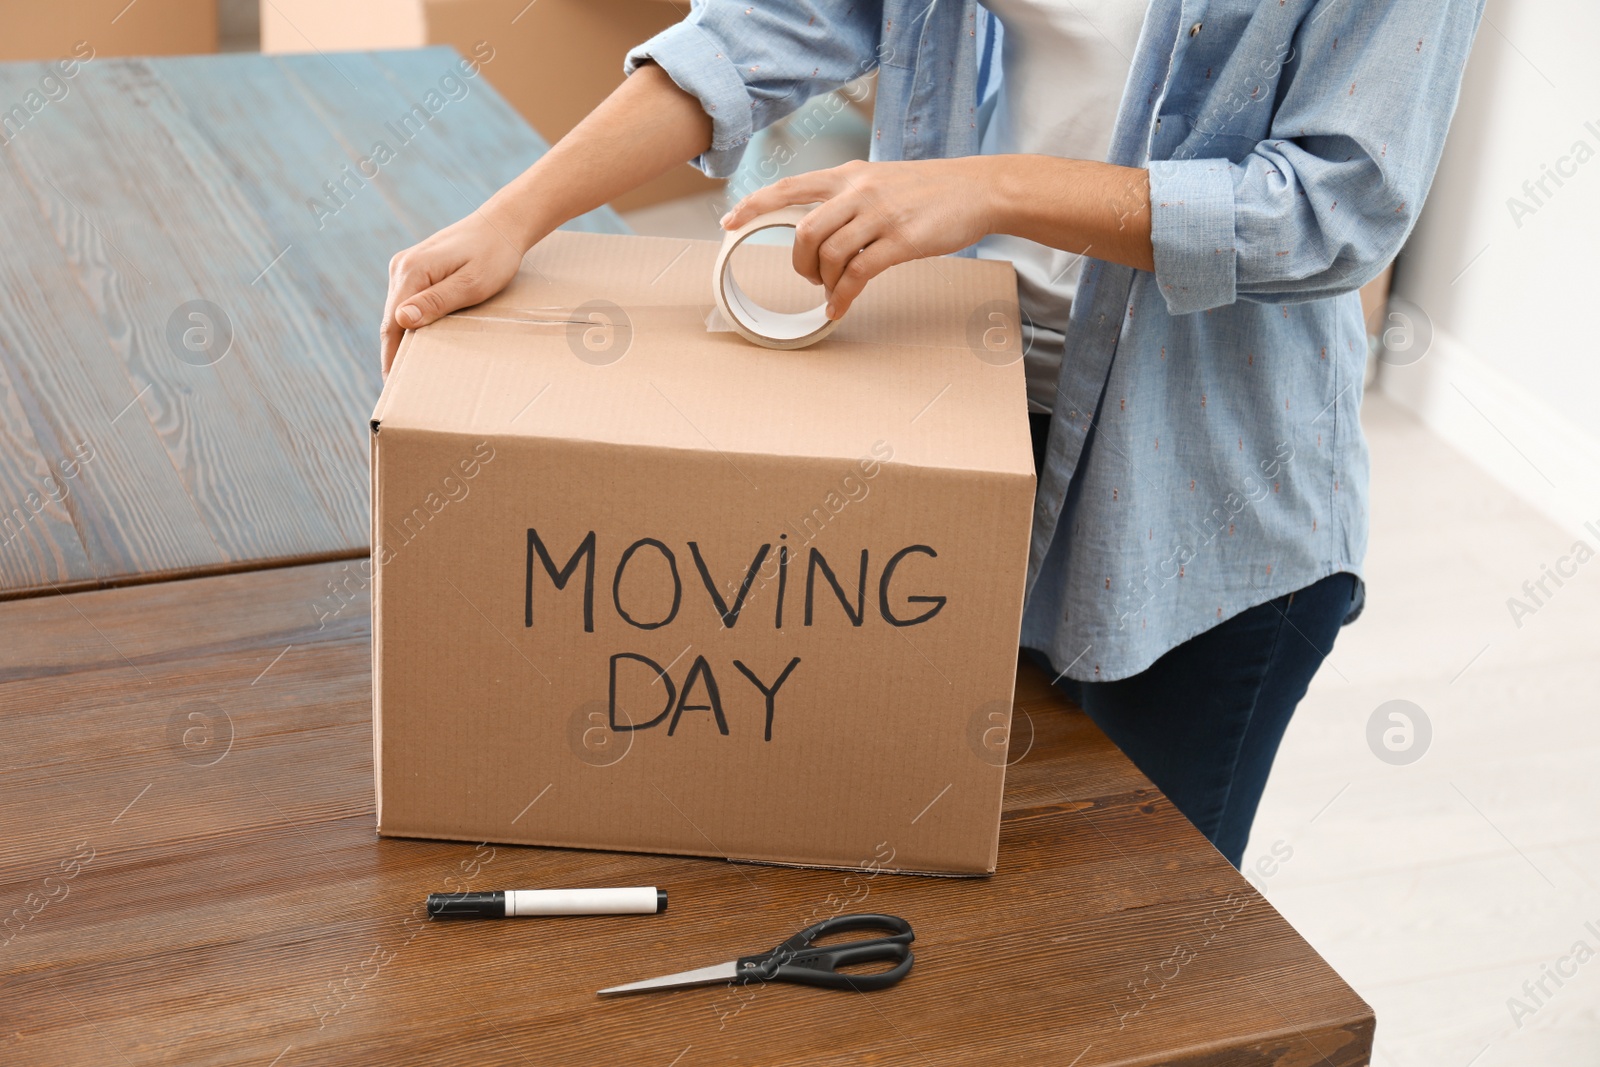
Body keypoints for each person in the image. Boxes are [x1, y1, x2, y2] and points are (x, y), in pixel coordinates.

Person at [380, 0, 1487, 868]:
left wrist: (988, 189)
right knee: (920, 887)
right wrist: (514, 215)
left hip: (1199, 507)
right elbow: (761, 26)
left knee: (1128, 952)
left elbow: (1326, 212)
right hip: (960, 428)